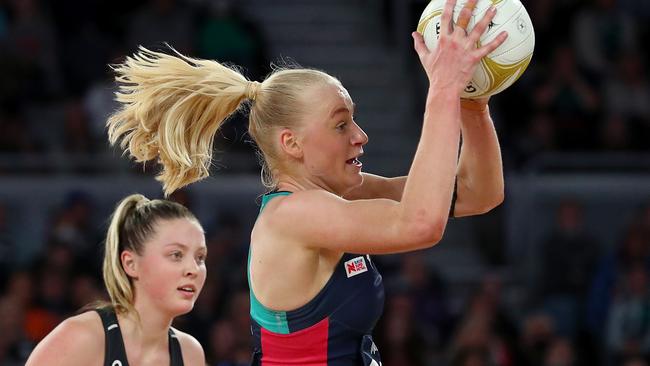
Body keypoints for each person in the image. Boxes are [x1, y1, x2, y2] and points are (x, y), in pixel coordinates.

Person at [106, 0, 507, 363]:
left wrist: (472, 101)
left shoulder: (332, 197)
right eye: (340, 124)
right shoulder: (294, 216)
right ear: (292, 143)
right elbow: (421, 222)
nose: (360, 135)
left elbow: (478, 193)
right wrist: (442, 91)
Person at [25, 194, 207, 366]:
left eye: (200, 258)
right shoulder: (84, 337)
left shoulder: (189, 353)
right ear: (131, 263)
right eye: (176, 254)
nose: (193, 269)